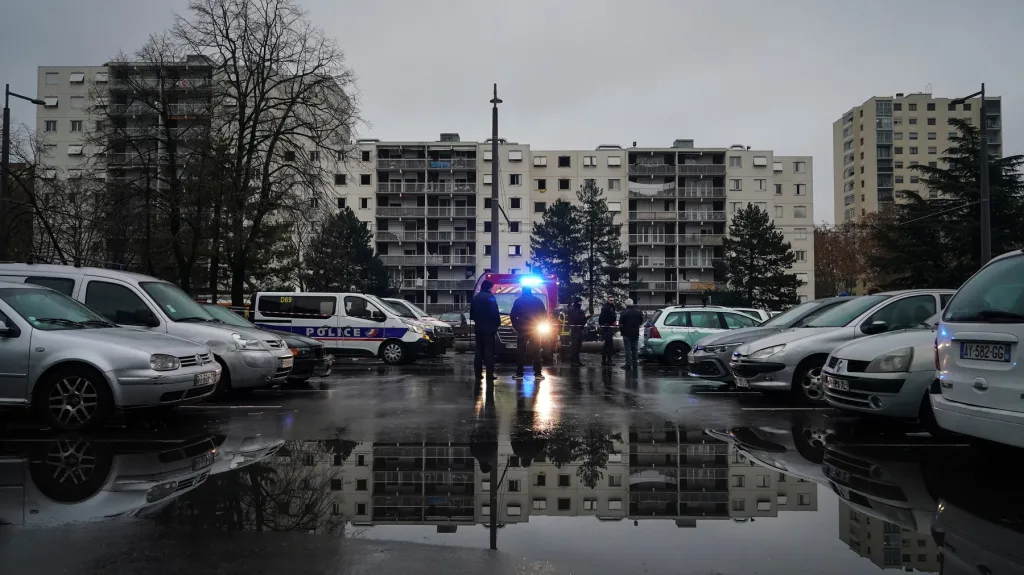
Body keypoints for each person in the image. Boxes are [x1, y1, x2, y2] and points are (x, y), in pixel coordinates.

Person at [510, 286, 546, 378]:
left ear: (523, 291)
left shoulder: (518, 301)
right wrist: (539, 324)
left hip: (522, 329)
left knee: (521, 352)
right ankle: (538, 373)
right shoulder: (538, 300)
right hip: (534, 328)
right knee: (536, 351)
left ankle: (519, 373)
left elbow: (513, 315)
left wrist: (517, 327)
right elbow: (544, 314)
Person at [470, 280, 501, 380]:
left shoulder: (475, 298)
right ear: (488, 287)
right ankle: (489, 374)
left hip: (479, 328)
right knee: (489, 352)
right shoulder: (490, 297)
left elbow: (472, 315)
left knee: (478, 351)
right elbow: (495, 313)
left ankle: (478, 374)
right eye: (491, 287)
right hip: (489, 329)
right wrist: (497, 324)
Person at [618, 298, 644, 373]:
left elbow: (621, 324)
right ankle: (635, 364)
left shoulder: (624, 313)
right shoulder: (638, 312)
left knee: (628, 349)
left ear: (626, 304)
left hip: (626, 333)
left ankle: (628, 364)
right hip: (635, 333)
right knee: (635, 349)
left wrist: (622, 332)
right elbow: (641, 322)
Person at [567, 299, 588, 366]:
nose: (580, 304)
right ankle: (573, 361)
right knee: (575, 346)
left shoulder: (578, 310)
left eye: (581, 302)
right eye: (579, 302)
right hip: (575, 329)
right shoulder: (572, 309)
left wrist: (584, 318)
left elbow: (582, 319)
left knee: (578, 345)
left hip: (579, 329)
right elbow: (576, 318)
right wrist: (583, 316)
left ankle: (577, 360)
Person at [598, 297, 617, 366]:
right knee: (608, 343)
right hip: (606, 327)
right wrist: (604, 324)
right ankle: (607, 360)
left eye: (613, 300)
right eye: (611, 300)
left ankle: (606, 360)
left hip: (608, 326)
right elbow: (602, 317)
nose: (612, 301)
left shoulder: (611, 307)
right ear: (608, 301)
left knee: (607, 344)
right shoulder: (606, 308)